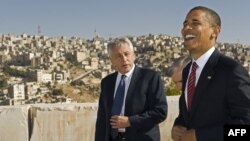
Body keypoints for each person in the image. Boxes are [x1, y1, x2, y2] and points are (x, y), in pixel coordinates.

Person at [171, 6, 250, 141]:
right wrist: (177, 126)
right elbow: (187, 114)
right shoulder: (187, 71)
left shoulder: (231, 70)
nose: (187, 28)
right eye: (185, 24)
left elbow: (244, 130)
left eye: (195, 23)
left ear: (215, 31)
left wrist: (200, 136)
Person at [95, 37, 168, 141]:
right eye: (118, 56)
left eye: (126, 54)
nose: (124, 59)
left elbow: (160, 112)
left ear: (134, 55)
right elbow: (102, 118)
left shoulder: (150, 78)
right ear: (111, 60)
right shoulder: (107, 82)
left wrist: (130, 121)